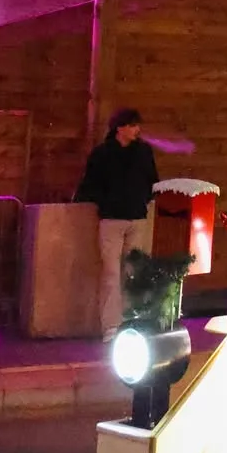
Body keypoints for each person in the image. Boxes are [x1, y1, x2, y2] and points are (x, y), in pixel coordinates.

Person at [76, 108, 158, 340]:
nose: (137, 130)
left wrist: (144, 199)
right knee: (111, 273)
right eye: (132, 125)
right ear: (119, 127)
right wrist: (106, 202)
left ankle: (132, 320)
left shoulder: (143, 152)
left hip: (136, 217)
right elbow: (90, 184)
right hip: (111, 218)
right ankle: (111, 326)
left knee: (132, 272)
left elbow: (152, 179)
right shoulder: (102, 154)